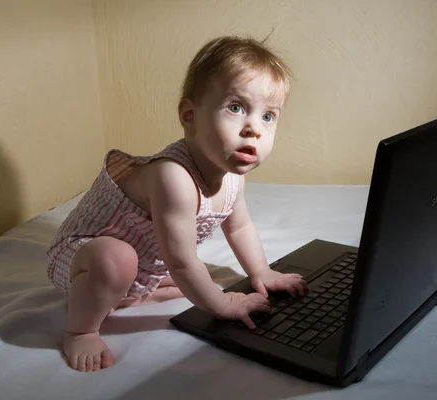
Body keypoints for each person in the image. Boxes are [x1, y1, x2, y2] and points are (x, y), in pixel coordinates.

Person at [45, 35, 308, 373]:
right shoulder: (174, 177)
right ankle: (80, 329)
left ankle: (134, 291)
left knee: (133, 264)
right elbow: (182, 263)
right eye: (236, 107)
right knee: (117, 259)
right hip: (80, 259)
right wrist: (222, 303)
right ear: (190, 115)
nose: (254, 128)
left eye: (269, 116)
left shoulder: (232, 178)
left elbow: (240, 226)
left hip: (137, 265)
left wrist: (262, 272)